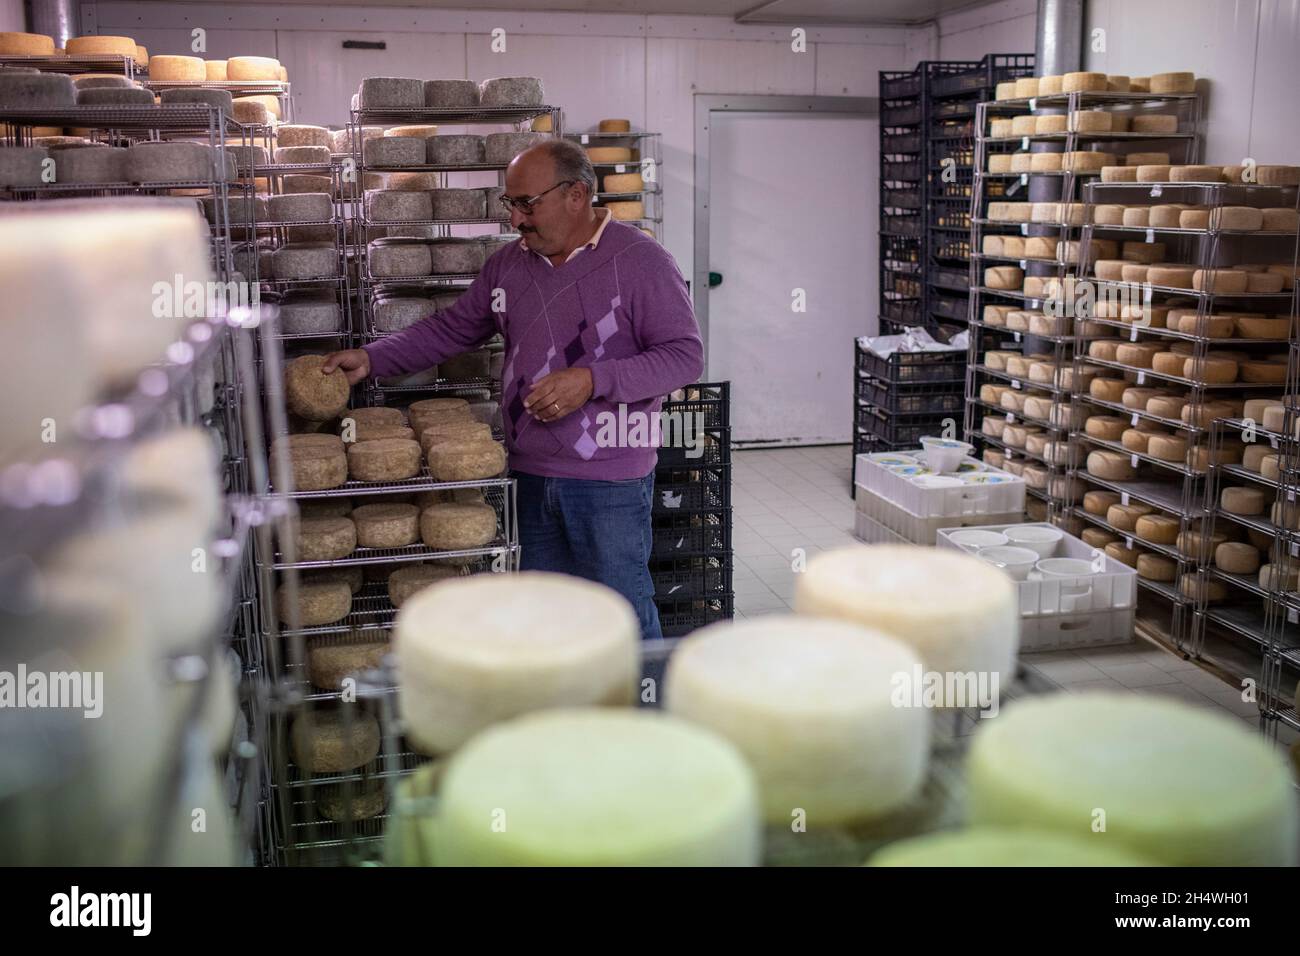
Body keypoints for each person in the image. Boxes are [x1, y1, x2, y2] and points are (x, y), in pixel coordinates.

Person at [323, 139, 703, 639]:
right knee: (547, 619)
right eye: (511, 204)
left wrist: (593, 380)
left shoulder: (641, 261)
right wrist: (373, 358)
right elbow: (452, 330)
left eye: (528, 203)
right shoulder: (509, 265)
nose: (516, 219)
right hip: (528, 472)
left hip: (609, 475)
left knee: (621, 616)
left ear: (576, 195)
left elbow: (684, 356)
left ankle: (642, 713)